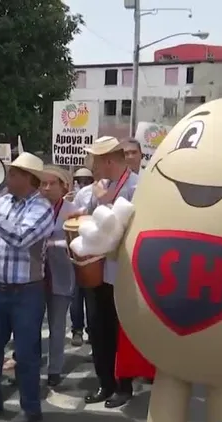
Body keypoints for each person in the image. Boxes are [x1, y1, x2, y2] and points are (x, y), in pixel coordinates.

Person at [0, 152, 53, 422]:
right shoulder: (3, 201)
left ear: (30, 179)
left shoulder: (42, 208)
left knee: (26, 353)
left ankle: (31, 408)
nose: (8, 177)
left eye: (15, 173)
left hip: (27, 292)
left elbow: (20, 238)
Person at [82, 136, 138, 408]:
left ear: (107, 160)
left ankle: (123, 385)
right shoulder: (101, 186)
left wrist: (104, 203)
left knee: (120, 331)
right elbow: (92, 222)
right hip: (97, 268)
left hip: (122, 272)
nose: (92, 165)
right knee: (98, 328)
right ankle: (105, 382)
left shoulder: (137, 186)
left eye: (95, 159)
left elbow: (129, 229)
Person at [40, 166, 78, 386]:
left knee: (57, 324)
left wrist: (52, 243)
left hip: (61, 275)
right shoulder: (35, 208)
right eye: (43, 184)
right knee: (31, 323)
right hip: (35, 276)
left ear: (64, 186)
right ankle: (28, 362)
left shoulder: (74, 210)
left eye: (52, 183)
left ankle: (55, 368)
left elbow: (77, 242)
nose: (46, 188)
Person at [69, 168, 96, 346]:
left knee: (93, 298)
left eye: (86, 180)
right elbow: (74, 220)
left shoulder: (104, 191)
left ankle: (93, 335)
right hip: (78, 248)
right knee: (76, 295)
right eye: (79, 180)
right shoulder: (81, 195)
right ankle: (77, 330)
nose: (82, 184)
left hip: (96, 251)